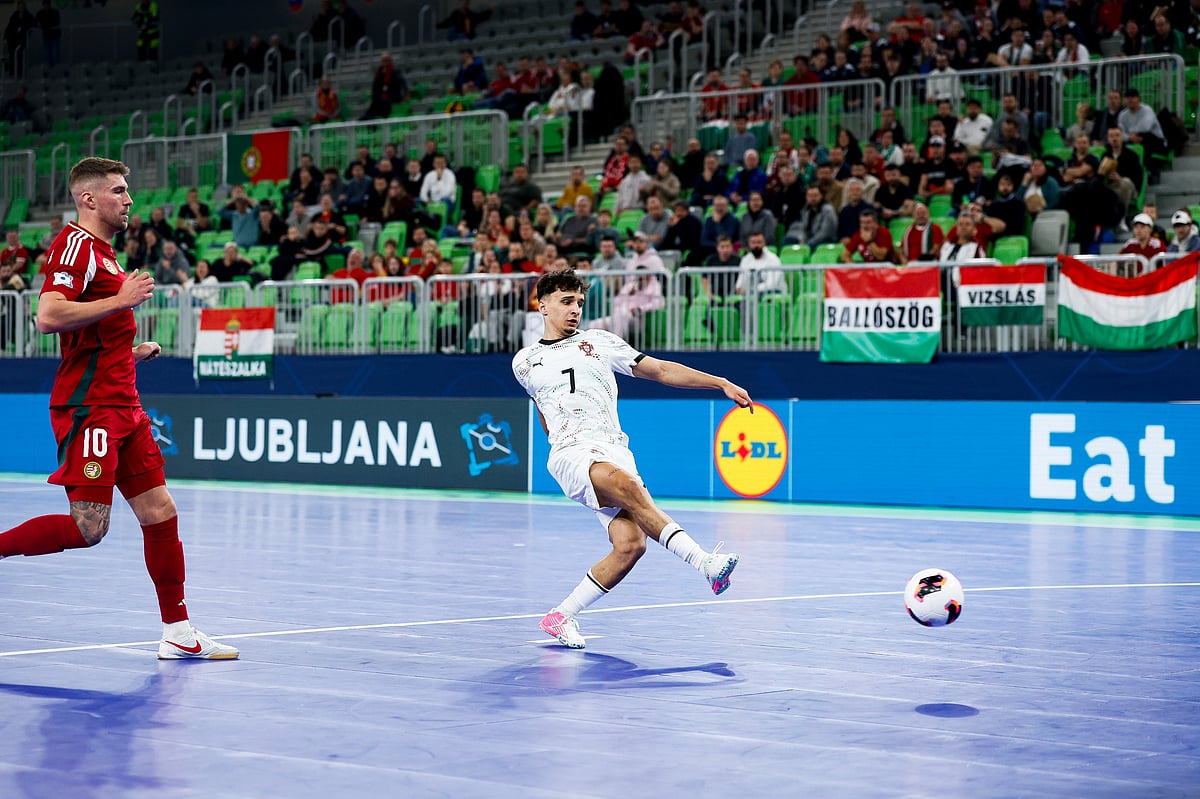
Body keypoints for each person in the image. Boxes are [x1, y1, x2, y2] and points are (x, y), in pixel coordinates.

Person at [0, 158, 237, 660]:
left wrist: (129, 352)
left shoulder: (105, 256)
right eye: (119, 190)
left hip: (124, 404)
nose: (129, 199)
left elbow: (88, 339)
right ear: (89, 199)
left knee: (160, 511)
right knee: (90, 528)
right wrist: (121, 300)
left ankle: (178, 632)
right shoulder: (75, 246)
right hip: (91, 410)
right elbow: (47, 316)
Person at [512, 268, 750, 649]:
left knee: (630, 546)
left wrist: (719, 382)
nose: (575, 309)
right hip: (573, 455)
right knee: (627, 486)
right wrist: (563, 446)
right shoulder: (524, 361)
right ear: (543, 305)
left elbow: (660, 370)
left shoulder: (600, 341)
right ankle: (706, 563)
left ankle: (561, 616)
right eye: (566, 301)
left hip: (614, 450)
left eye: (579, 303)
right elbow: (545, 410)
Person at [362, 52, 408, 120]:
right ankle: (366, 120)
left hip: (392, 99)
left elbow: (403, 85)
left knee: (380, 105)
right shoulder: (378, 74)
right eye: (383, 60)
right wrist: (373, 98)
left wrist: (406, 95)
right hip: (380, 100)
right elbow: (375, 88)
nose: (385, 62)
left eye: (387, 60)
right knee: (373, 106)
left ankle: (373, 120)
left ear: (390, 61)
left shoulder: (395, 72)